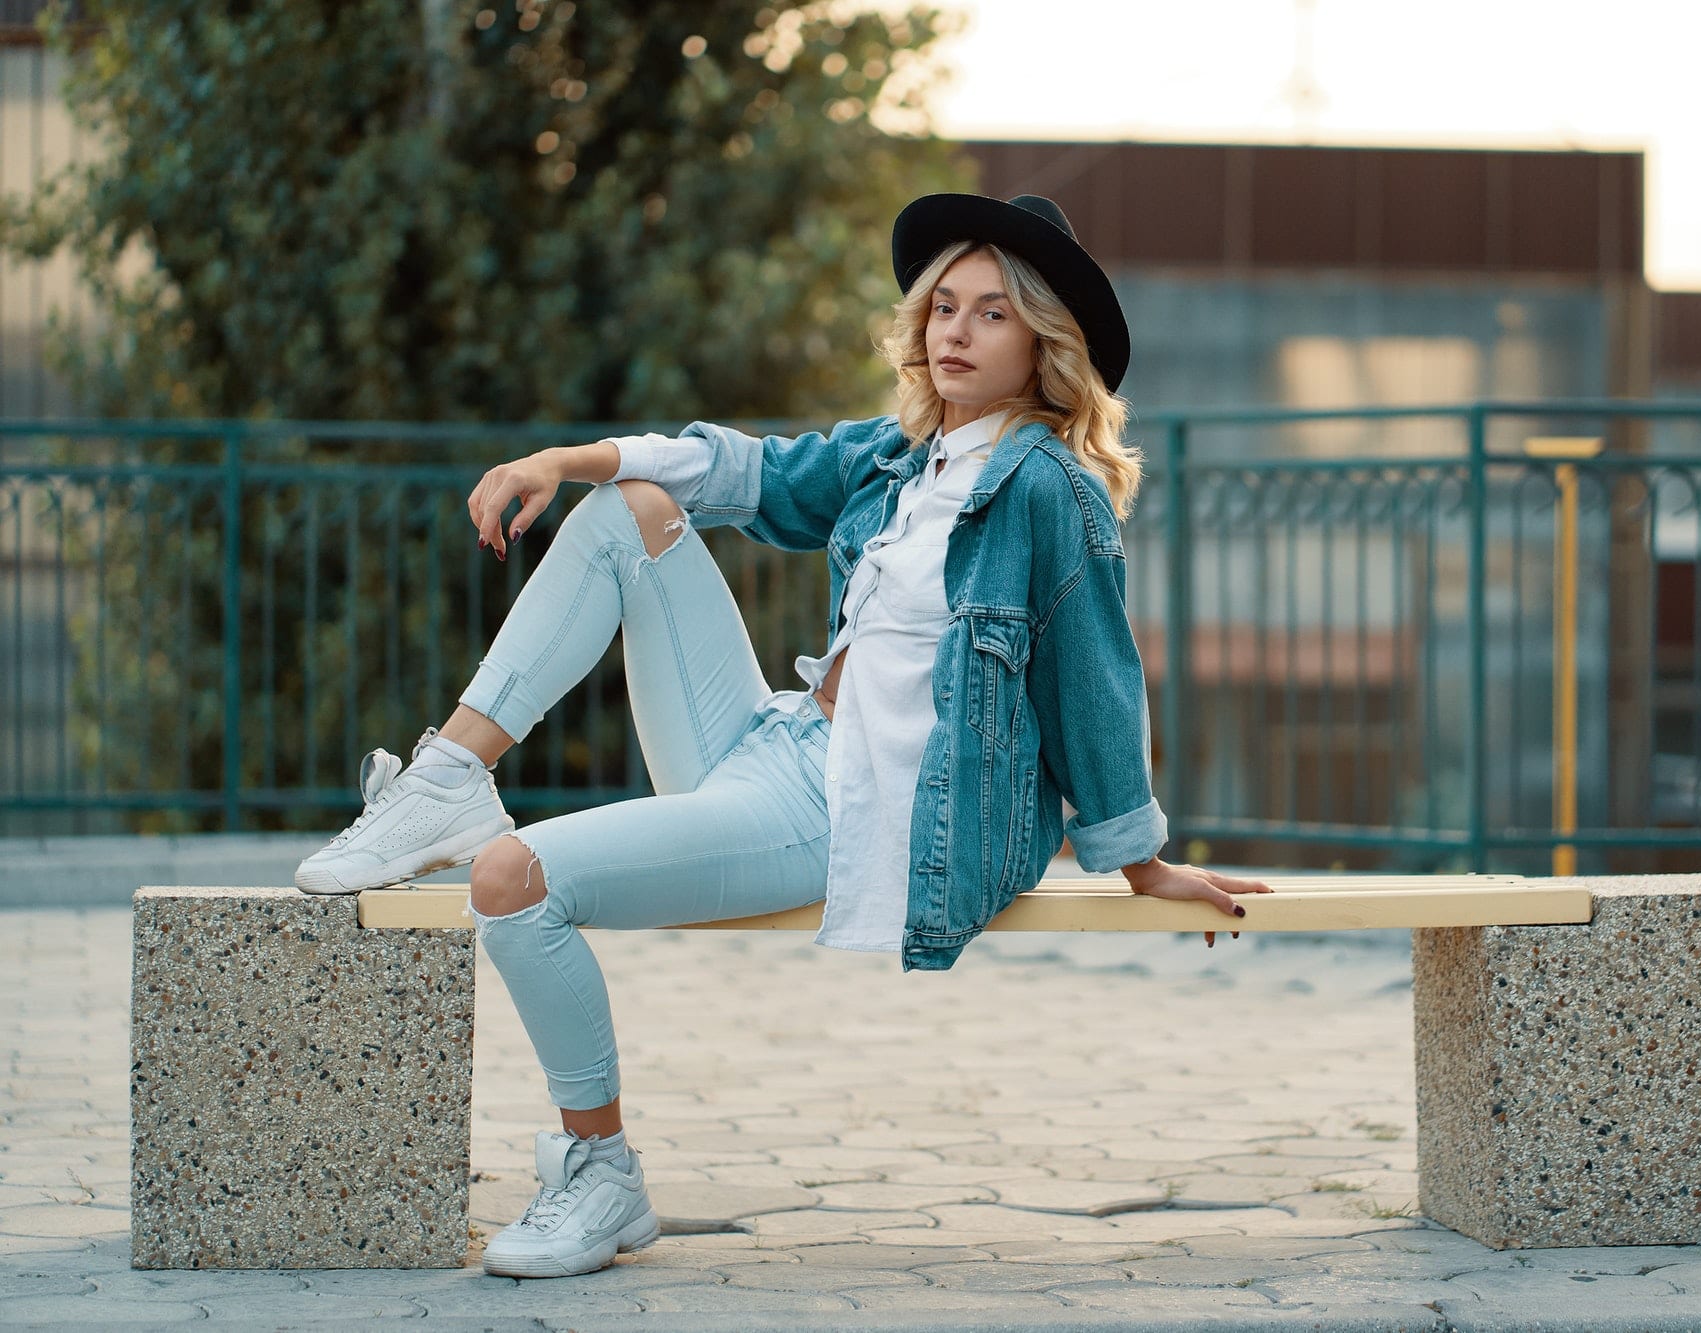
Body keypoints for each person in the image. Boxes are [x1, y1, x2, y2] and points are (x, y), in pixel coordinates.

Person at [293, 193, 1272, 1279]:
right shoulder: (900, 454)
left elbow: (1094, 678)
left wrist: (1139, 862)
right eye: (942, 305)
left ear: (1044, 342)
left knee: (515, 879)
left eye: (991, 314)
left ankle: (598, 1169)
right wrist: (564, 459)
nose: (952, 330)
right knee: (627, 509)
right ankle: (451, 772)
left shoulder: (1044, 489)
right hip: (769, 738)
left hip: (847, 802)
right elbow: (739, 470)